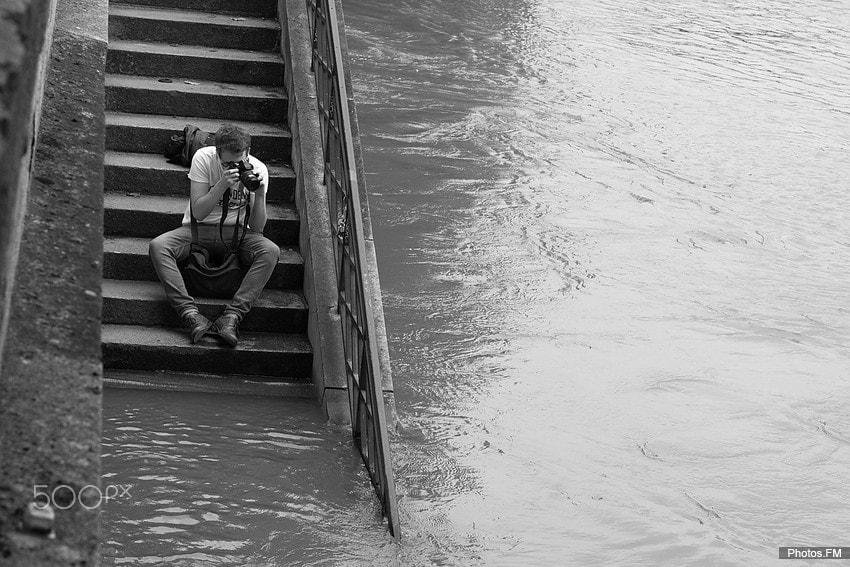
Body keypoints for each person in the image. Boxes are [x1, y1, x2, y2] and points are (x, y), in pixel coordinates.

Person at [149, 124, 280, 346]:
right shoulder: (203, 158)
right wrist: (220, 186)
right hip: (198, 231)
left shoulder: (258, 169)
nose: (234, 167)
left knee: (271, 251)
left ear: (247, 152)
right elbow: (198, 212)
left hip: (238, 236)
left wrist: (260, 195)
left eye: (239, 161)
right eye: (227, 163)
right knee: (158, 246)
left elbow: (257, 228)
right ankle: (190, 315)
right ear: (217, 152)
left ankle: (231, 317)